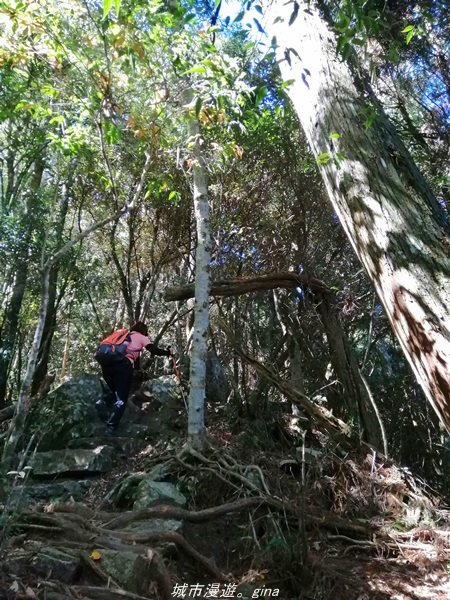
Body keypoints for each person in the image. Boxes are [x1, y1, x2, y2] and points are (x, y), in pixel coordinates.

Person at [100, 321, 171, 435]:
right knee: (122, 398)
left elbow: (136, 359)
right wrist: (167, 353)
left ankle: (101, 403)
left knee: (115, 392)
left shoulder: (123, 336)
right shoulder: (141, 337)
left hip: (106, 365)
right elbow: (153, 350)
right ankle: (110, 428)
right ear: (143, 330)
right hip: (122, 367)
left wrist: (138, 370)